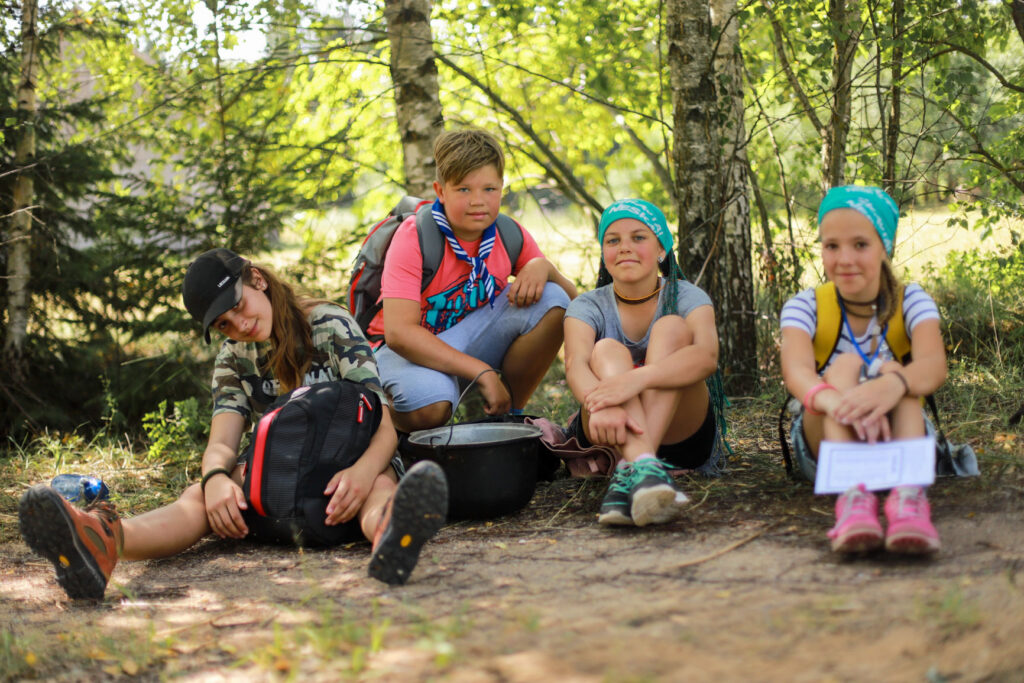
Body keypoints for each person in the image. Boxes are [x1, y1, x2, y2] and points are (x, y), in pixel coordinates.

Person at [18, 248, 447, 600]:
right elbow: (222, 442)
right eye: (224, 324)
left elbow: (383, 421)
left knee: (381, 488)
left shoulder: (328, 324)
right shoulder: (232, 358)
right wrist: (216, 480)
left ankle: (392, 534)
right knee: (199, 497)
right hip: (280, 477)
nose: (239, 325)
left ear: (257, 279)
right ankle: (103, 542)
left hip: (352, 468)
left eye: (237, 306)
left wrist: (363, 471)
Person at [367, 128, 577, 433]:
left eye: (489, 189)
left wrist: (545, 268)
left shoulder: (508, 234)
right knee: (430, 408)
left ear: (502, 188)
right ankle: (393, 430)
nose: (478, 201)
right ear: (440, 192)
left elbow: (574, 304)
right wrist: (482, 372)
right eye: (464, 189)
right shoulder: (415, 236)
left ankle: (505, 416)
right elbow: (399, 334)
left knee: (552, 298)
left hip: (472, 337)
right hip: (409, 352)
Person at [780, 185, 947, 554]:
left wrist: (891, 385)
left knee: (894, 374)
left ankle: (907, 499)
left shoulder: (912, 300)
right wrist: (841, 404)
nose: (844, 259)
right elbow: (796, 371)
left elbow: (934, 366)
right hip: (825, 442)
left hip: (900, 436)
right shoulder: (805, 306)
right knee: (845, 364)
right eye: (831, 246)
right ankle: (853, 498)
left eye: (860, 245)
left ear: (884, 247)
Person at [563, 199, 721, 527]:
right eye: (613, 240)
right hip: (608, 428)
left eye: (638, 237)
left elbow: (707, 357)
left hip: (682, 436)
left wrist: (638, 379)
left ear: (662, 250)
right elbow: (576, 364)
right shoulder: (586, 305)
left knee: (672, 327)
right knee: (605, 349)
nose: (625, 248)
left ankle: (630, 468)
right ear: (604, 252)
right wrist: (602, 402)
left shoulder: (688, 297)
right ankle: (645, 467)